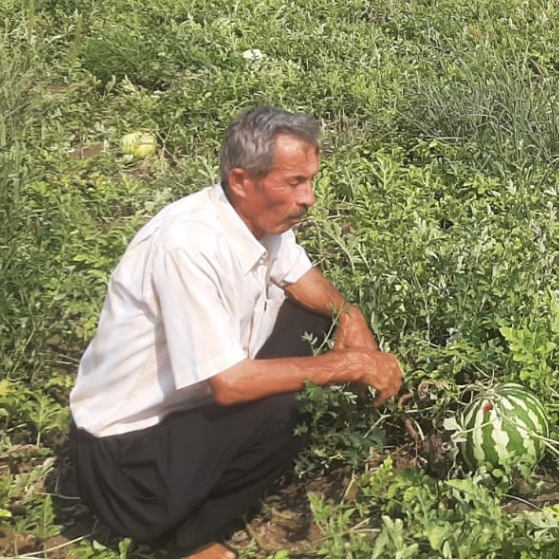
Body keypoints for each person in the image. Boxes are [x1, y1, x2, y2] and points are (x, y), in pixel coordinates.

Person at [68, 106, 403, 559]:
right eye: (294, 183)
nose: (309, 198)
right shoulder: (189, 246)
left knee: (315, 323)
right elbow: (228, 386)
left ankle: (206, 488)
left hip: (182, 417)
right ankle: (185, 540)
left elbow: (299, 276)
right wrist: (352, 364)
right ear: (242, 180)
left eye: (310, 180)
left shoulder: (256, 218)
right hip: (127, 466)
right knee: (293, 399)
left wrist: (349, 315)